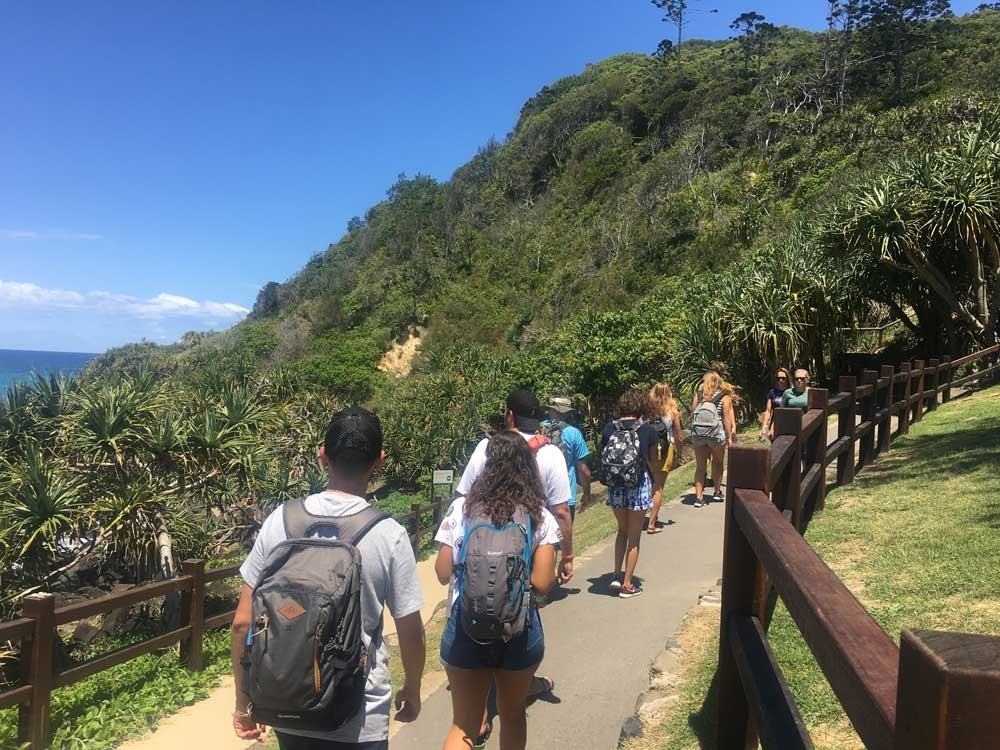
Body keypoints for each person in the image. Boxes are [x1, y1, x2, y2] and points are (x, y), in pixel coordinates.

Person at [231, 407, 425, 750]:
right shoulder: (389, 534)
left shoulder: (281, 520)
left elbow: (242, 623)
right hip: (358, 716)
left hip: (288, 705)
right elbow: (410, 629)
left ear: (323, 456)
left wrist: (243, 701)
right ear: (379, 461)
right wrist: (412, 685)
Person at [434, 431, 560, 750]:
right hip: (519, 631)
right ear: (527, 468)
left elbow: (442, 572)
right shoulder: (538, 516)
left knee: (463, 724)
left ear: (487, 466)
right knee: (513, 714)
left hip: (465, 627)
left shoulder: (462, 508)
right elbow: (543, 583)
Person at [455, 390, 570, 708]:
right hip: (522, 583)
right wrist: (568, 554)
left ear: (508, 416)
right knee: (513, 710)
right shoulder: (551, 457)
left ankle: (478, 716)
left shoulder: (484, 448)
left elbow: (460, 500)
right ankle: (519, 688)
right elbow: (561, 513)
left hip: (471, 606)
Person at [600, 389, 659, 598]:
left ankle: (616, 575)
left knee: (621, 531)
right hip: (637, 484)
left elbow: (604, 455)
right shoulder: (647, 429)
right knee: (634, 537)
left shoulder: (609, 428)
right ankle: (627, 585)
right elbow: (652, 460)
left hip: (616, 486)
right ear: (641, 406)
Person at [689, 371, 738, 508]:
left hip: (699, 435)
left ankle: (699, 497)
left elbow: (693, 414)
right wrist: (729, 436)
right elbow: (727, 419)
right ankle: (716, 491)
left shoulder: (698, 396)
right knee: (718, 462)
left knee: (700, 466)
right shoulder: (724, 397)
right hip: (716, 434)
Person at [542, 395, 591, 522]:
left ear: (551, 410)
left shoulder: (538, 430)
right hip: (565, 496)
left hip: (540, 497)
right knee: (564, 541)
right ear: (567, 413)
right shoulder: (573, 433)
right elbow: (583, 470)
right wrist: (586, 493)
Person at [646, 383, 682, 534]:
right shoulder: (672, 412)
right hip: (665, 450)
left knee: (651, 484)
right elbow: (678, 436)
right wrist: (680, 454)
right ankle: (651, 524)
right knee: (658, 488)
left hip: (648, 450)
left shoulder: (647, 411)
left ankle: (652, 514)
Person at [759, 368, 790, 441]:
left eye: (783, 378)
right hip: (774, 423)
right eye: (778, 378)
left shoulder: (790, 392)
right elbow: (768, 411)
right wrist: (764, 428)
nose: (781, 380)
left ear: (787, 379)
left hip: (788, 423)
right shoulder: (772, 392)